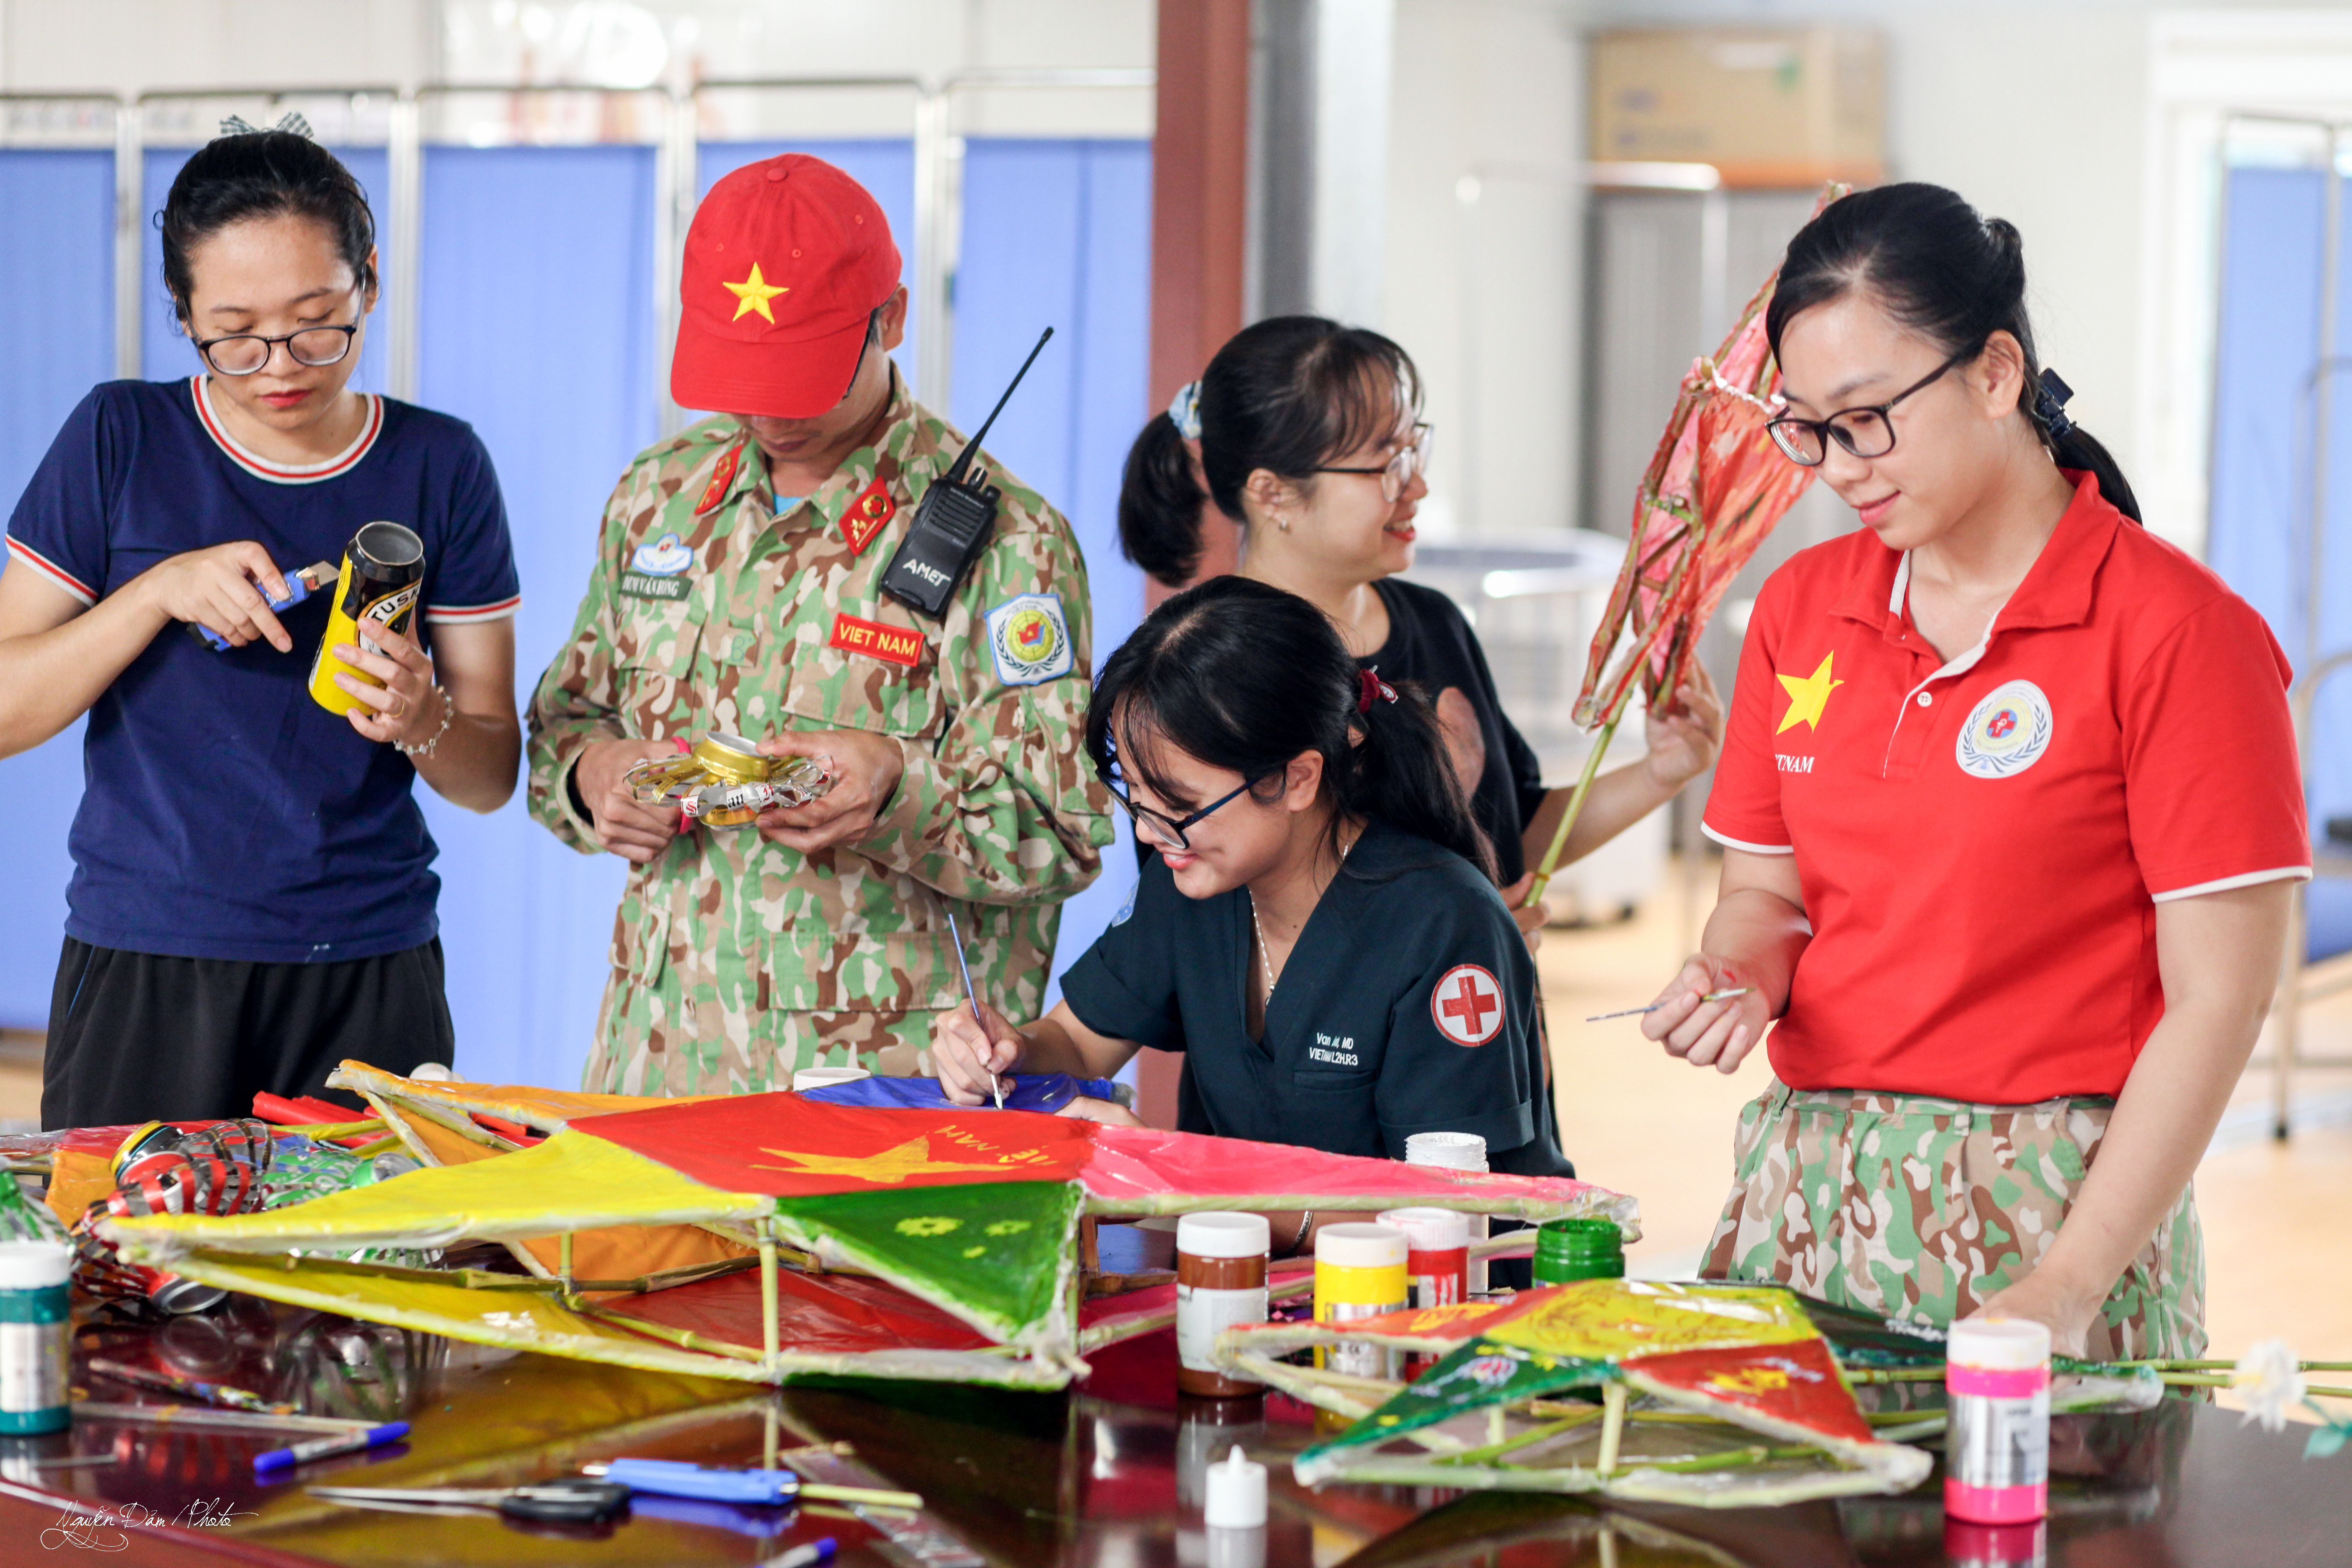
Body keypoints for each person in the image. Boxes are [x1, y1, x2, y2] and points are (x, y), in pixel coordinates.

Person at [1641, 183, 2306, 1360]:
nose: (1837, 465)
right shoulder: (1803, 611)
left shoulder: (2178, 634)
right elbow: (1768, 897)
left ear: (1996, 375)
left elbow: (2220, 999)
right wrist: (1740, 973)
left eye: (1866, 418)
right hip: (1809, 1195)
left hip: (2058, 1214)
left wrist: (2067, 1283)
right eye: (1806, 427)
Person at [528, 153, 1110, 1096]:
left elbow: (1063, 829)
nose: (764, 410)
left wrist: (896, 792)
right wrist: (593, 780)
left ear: (892, 320)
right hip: (657, 1070)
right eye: (738, 376)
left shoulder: (1009, 541)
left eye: (796, 377)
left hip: (880, 1092)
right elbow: (568, 722)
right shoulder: (660, 498)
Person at [0, 119, 523, 1128]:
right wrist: (153, 593)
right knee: (131, 1274)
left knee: (360, 1279)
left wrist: (422, 717)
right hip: (150, 955)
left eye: (319, 321)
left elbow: (491, 775)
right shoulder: (122, 437)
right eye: (233, 334)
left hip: (370, 966)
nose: (279, 364)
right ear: (184, 314)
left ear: (369, 282)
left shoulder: (442, 464)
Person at [931, 576, 1572, 1249]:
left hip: (1436, 1308)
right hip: (1241, 1288)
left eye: (1178, 807)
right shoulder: (1194, 881)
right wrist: (1005, 1051)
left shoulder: (1442, 924)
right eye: (1136, 800)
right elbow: (1080, 1042)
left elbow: (1449, 1215)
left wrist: (1181, 1181)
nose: (1150, 835)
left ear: (1298, 778)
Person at [1119, 318, 1722, 942]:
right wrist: (1442, 939)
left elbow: (1509, 837)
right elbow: (1201, 932)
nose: (1418, 488)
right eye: (1385, 465)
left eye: (1414, 452)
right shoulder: (1206, 671)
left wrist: (1662, 770)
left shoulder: (1436, 622)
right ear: (1273, 492)